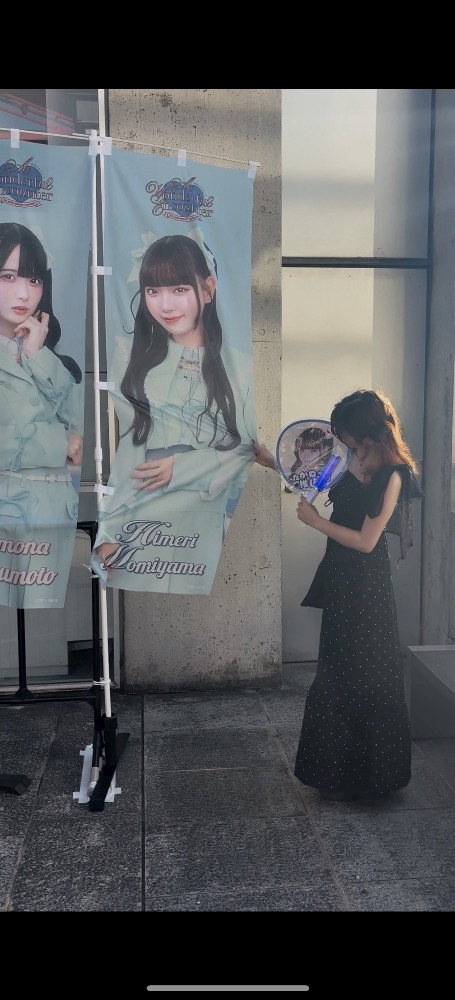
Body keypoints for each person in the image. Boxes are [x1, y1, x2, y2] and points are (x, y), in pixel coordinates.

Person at [254, 388, 423, 802]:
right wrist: (270, 459)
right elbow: (309, 473)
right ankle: (336, 772)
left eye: (346, 432)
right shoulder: (348, 456)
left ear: (367, 432)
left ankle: (374, 777)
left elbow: (367, 541)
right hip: (340, 577)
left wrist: (315, 522)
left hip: (367, 583)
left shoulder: (394, 474)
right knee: (336, 669)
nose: (340, 439)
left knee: (370, 671)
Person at [91, 232, 256, 594]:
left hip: (207, 516)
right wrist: (109, 531)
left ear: (208, 289)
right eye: (153, 291)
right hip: (145, 515)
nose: (165, 304)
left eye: (180, 289)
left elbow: (249, 449)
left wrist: (182, 468)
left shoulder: (240, 368)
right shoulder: (134, 362)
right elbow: (129, 450)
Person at [0, 222, 83, 609]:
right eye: (8, 276)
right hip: (7, 516)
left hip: (50, 518)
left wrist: (37, 353)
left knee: (40, 615)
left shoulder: (47, 355)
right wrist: (57, 444)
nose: (23, 293)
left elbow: (79, 423)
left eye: (33, 279)